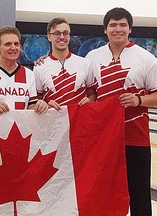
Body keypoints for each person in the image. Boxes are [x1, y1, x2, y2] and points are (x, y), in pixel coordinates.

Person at [86, 7, 157, 216]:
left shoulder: (146, 58)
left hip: (136, 137)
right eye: (113, 25)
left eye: (123, 24)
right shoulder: (92, 57)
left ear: (130, 29)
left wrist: (138, 99)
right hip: (103, 139)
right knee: (103, 192)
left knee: (139, 194)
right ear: (105, 29)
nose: (118, 29)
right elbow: (89, 90)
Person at [0, 26, 48, 114]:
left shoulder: (28, 74)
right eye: (8, 44)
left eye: (16, 44)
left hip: (20, 127)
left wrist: (40, 105)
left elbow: (31, 106)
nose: (13, 48)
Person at [33, 17, 96, 110]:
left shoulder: (85, 63)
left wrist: (89, 101)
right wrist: (44, 105)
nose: (62, 37)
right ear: (49, 37)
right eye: (57, 33)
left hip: (78, 121)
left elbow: (92, 93)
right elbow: (36, 101)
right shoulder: (39, 67)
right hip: (52, 122)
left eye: (65, 33)